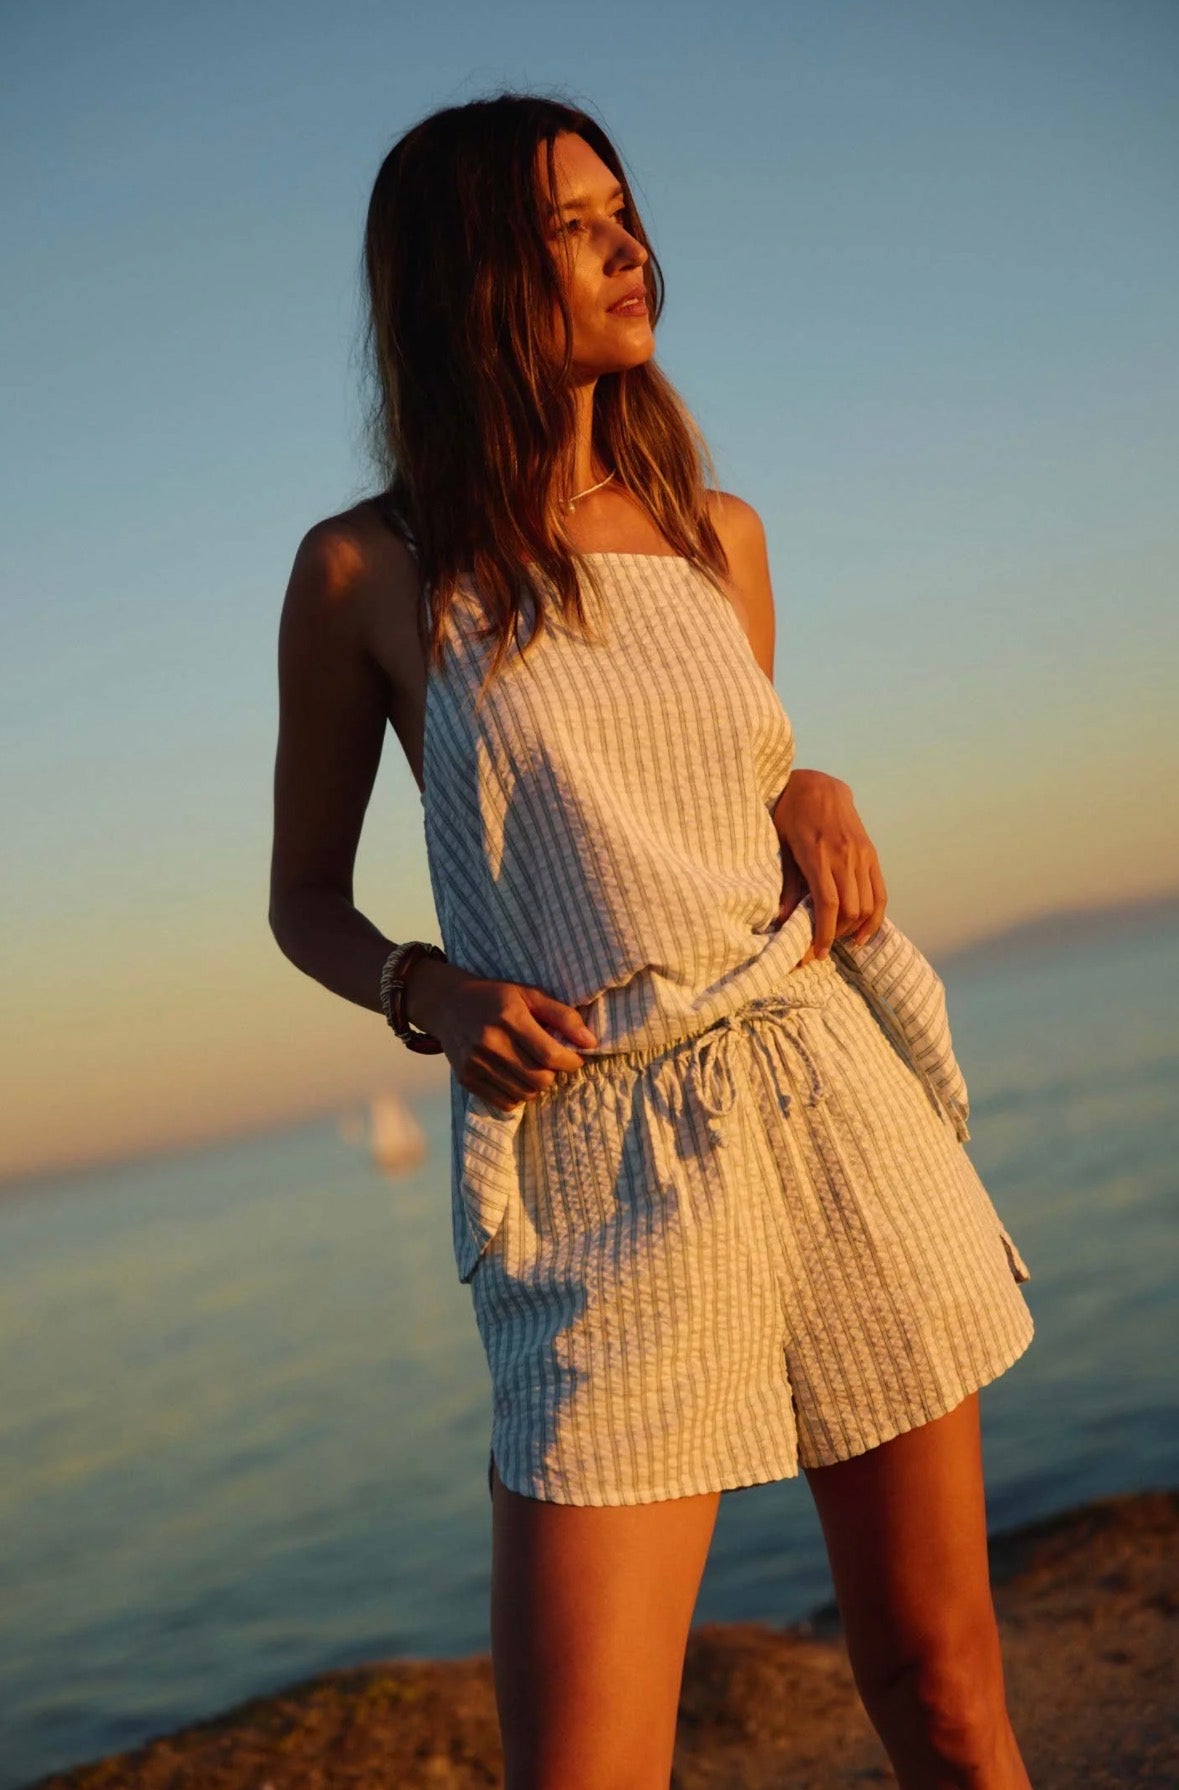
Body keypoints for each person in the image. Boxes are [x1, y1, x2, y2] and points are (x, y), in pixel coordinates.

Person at [269, 90, 1036, 1790]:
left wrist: (814, 784)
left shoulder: (713, 530)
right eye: (574, 226)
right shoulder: (364, 573)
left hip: (825, 1094)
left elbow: (727, 782)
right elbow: (301, 898)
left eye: (625, 212)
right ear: (473, 277)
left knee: (946, 1691)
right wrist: (428, 989)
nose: (632, 249)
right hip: (597, 1155)